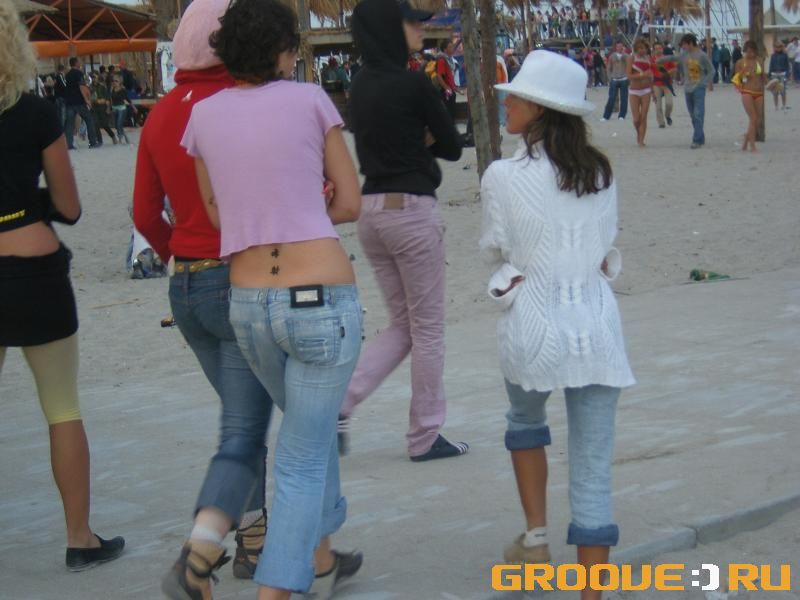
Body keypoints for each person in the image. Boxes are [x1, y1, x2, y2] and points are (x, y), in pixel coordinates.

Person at [179, 0, 364, 597]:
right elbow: (350, 203)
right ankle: (277, 589)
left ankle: (322, 558)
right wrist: (312, 204)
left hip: (250, 301)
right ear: (285, 51)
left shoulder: (203, 116)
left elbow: (218, 215)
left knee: (311, 433)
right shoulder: (310, 100)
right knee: (304, 455)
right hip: (319, 294)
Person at [133, 0, 275, 592]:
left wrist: (178, 253)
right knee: (245, 425)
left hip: (185, 286)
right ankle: (234, 546)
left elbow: (144, 213)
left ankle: (254, 537)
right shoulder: (239, 103)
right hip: (236, 277)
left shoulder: (161, 114)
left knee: (243, 417)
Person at [485, 50, 634, 600]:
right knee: (593, 466)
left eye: (517, 97)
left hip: (532, 325)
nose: (508, 103)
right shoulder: (600, 172)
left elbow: (495, 247)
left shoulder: (503, 176)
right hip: (597, 327)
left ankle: (536, 536)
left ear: (540, 109)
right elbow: (605, 244)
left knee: (524, 421)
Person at [0, 0, 124, 571]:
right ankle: (80, 538)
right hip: (33, 267)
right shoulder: (35, 113)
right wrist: (30, 204)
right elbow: (70, 206)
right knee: (61, 406)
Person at [342, 0, 467, 462]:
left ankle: (340, 402)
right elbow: (453, 145)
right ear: (389, 28)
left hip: (372, 210)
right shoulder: (414, 83)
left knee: (403, 326)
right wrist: (422, 140)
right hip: (411, 210)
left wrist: (412, 140)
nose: (419, 29)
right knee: (428, 330)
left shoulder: (358, 85)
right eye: (411, 22)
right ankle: (425, 435)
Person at [664, 33, 714, 149]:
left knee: (698, 114)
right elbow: (673, 58)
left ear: (690, 43)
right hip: (687, 88)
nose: (683, 47)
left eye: (684, 44)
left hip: (699, 88)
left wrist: (704, 83)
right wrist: (659, 60)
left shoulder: (702, 55)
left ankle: (696, 140)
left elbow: (711, 71)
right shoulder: (684, 55)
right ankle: (700, 136)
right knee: (692, 115)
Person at [732, 40, 765, 153]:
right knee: (753, 118)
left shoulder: (759, 61)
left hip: (759, 92)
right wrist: (744, 72)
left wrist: (772, 85)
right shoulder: (740, 62)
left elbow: (763, 76)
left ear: (755, 51)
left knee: (757, 120)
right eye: (747, 52)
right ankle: (752, 145)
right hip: (747, 91)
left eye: (752, 52)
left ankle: (746, 141)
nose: (750, 54)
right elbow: (736, 79)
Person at [63, 57, 99, 149]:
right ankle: (92, 142)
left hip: (69, 102)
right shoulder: (78, 73)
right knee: (89, 120)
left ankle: (69, 144)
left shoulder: (67, 74)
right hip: (79, 101)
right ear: (76, 63)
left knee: (69, 124)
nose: (80, 63)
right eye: (79, 62)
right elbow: (81, 87)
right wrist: (87, 100)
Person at [627, 39, 652, 146]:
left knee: (644, 116)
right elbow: (629, 75)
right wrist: (642, 75)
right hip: (634, 90)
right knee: (636, 119)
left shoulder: (649, 59)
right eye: (639, 48)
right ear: (636, 49)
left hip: (646, 90)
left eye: (644, 48)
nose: (642, 50)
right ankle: (639, 133)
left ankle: (641, 140)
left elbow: (651, 75)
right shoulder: (631, 58)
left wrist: (653, 92)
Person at [601, 41, 629, 121]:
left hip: (624, 78)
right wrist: (610, 78)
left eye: (621, 46)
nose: (619, 48)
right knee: (611, 98)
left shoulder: (626, 56)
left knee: (624, 98)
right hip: (614, 78)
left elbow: (629, 67)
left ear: (623, 47)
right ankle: (606, 116)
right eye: (618, 46)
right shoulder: (612, 56)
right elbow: (608, 67)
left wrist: (628, 77)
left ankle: (622, 115)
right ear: (616, 47)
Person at [651, 41, 676, 128]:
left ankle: (667, 115)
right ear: (654, 50)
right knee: (658, 105)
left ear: (662, 49)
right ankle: (661, 122)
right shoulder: (651, 60)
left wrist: (667, 73)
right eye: (656, 49)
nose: (658, 50)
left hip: (667, 83)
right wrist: (651, 90)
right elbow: (649, 73)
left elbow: (674, 68)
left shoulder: (667, 58)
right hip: (656, 84)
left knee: (669, 103)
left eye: (660, 48)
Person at [89, 72, 116, 145]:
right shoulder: (90, 87)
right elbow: (90, 98)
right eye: (92, 77)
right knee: (96, 124)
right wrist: (95, 101)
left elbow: (107, 98)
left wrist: (108, 107)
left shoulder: (102, 87)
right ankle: (99, 140)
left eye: (95, 77)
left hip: (102, 108)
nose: (94, 79)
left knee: (104, 124)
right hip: (94, 107)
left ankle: (112, 135)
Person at [436, 38, 458, 122]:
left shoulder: (448, 59)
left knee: (452, 112)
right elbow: (439, 76)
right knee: (449, 112)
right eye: (450, 47)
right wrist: (447, 88)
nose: (452, 49)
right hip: (446, 92)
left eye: (452, 46)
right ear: (445, 49)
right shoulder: (442, 60)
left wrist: (455, 88)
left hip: (450, 90)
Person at [110, 77, 134, 144]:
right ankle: (125, 135)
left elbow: (126, 98)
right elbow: (111, 99)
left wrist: (133, 107)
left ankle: (120, 138)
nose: (114, 82)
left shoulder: (123, 90)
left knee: (119, 124)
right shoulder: (112, 90)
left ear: (120, 82)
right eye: (113, 81)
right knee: (116, 125)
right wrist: (110, 107)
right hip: (114, 108)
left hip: (121, 108)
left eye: (116, 81)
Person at [768, 41, 790, 111]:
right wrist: (769, 74)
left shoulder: (785, 55)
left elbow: (787, 66)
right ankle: (776, 106)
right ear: (775, 48)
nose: (778, 48)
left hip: (783, 74)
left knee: (783, 91)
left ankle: (784, 105)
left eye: (780, 47)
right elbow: (771, 65)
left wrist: (787, 74)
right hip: (774, 74)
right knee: (775, 92)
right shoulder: (773, 56)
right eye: (777, 47)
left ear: (782, 47)